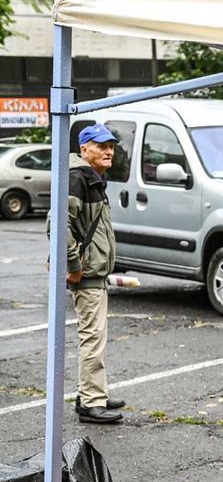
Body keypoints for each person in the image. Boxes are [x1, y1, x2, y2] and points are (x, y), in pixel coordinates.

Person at [48, 124, 125, 424]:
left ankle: (92, 393)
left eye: (111, 146)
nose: (108, 151)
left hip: (93, 272)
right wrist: (74, 266)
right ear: (84, 149)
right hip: (86, 274)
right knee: (92, 337)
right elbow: (59, 225)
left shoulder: (92, 178)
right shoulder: (77, 178)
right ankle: (92, 403)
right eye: (101, 145)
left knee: (96, 336)